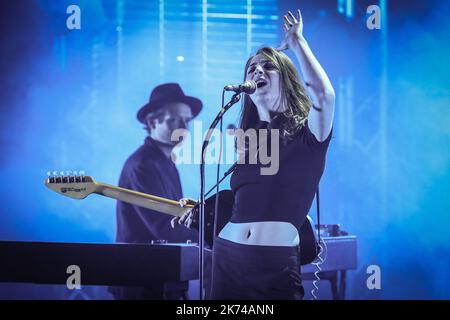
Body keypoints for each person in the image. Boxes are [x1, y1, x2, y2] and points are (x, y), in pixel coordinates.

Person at [173, 9, 335, 300]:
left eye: (268, 67)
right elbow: (249, 201)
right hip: (225, 259)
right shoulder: (251, 141)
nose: (257, 71)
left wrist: (298, 43)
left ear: (286, 79)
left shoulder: (307, 136)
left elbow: (324, 96)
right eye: (252, 68)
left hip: (273, 265)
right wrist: (206, 207)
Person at [110, 83, 202, 300]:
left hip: (161, 279)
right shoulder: (142, 164)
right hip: (141, 282)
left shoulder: (165, 162)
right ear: (152, 122)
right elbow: (164, 226)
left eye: (187, 121)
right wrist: (214, 238)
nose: (183, 128)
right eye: (174, 120)